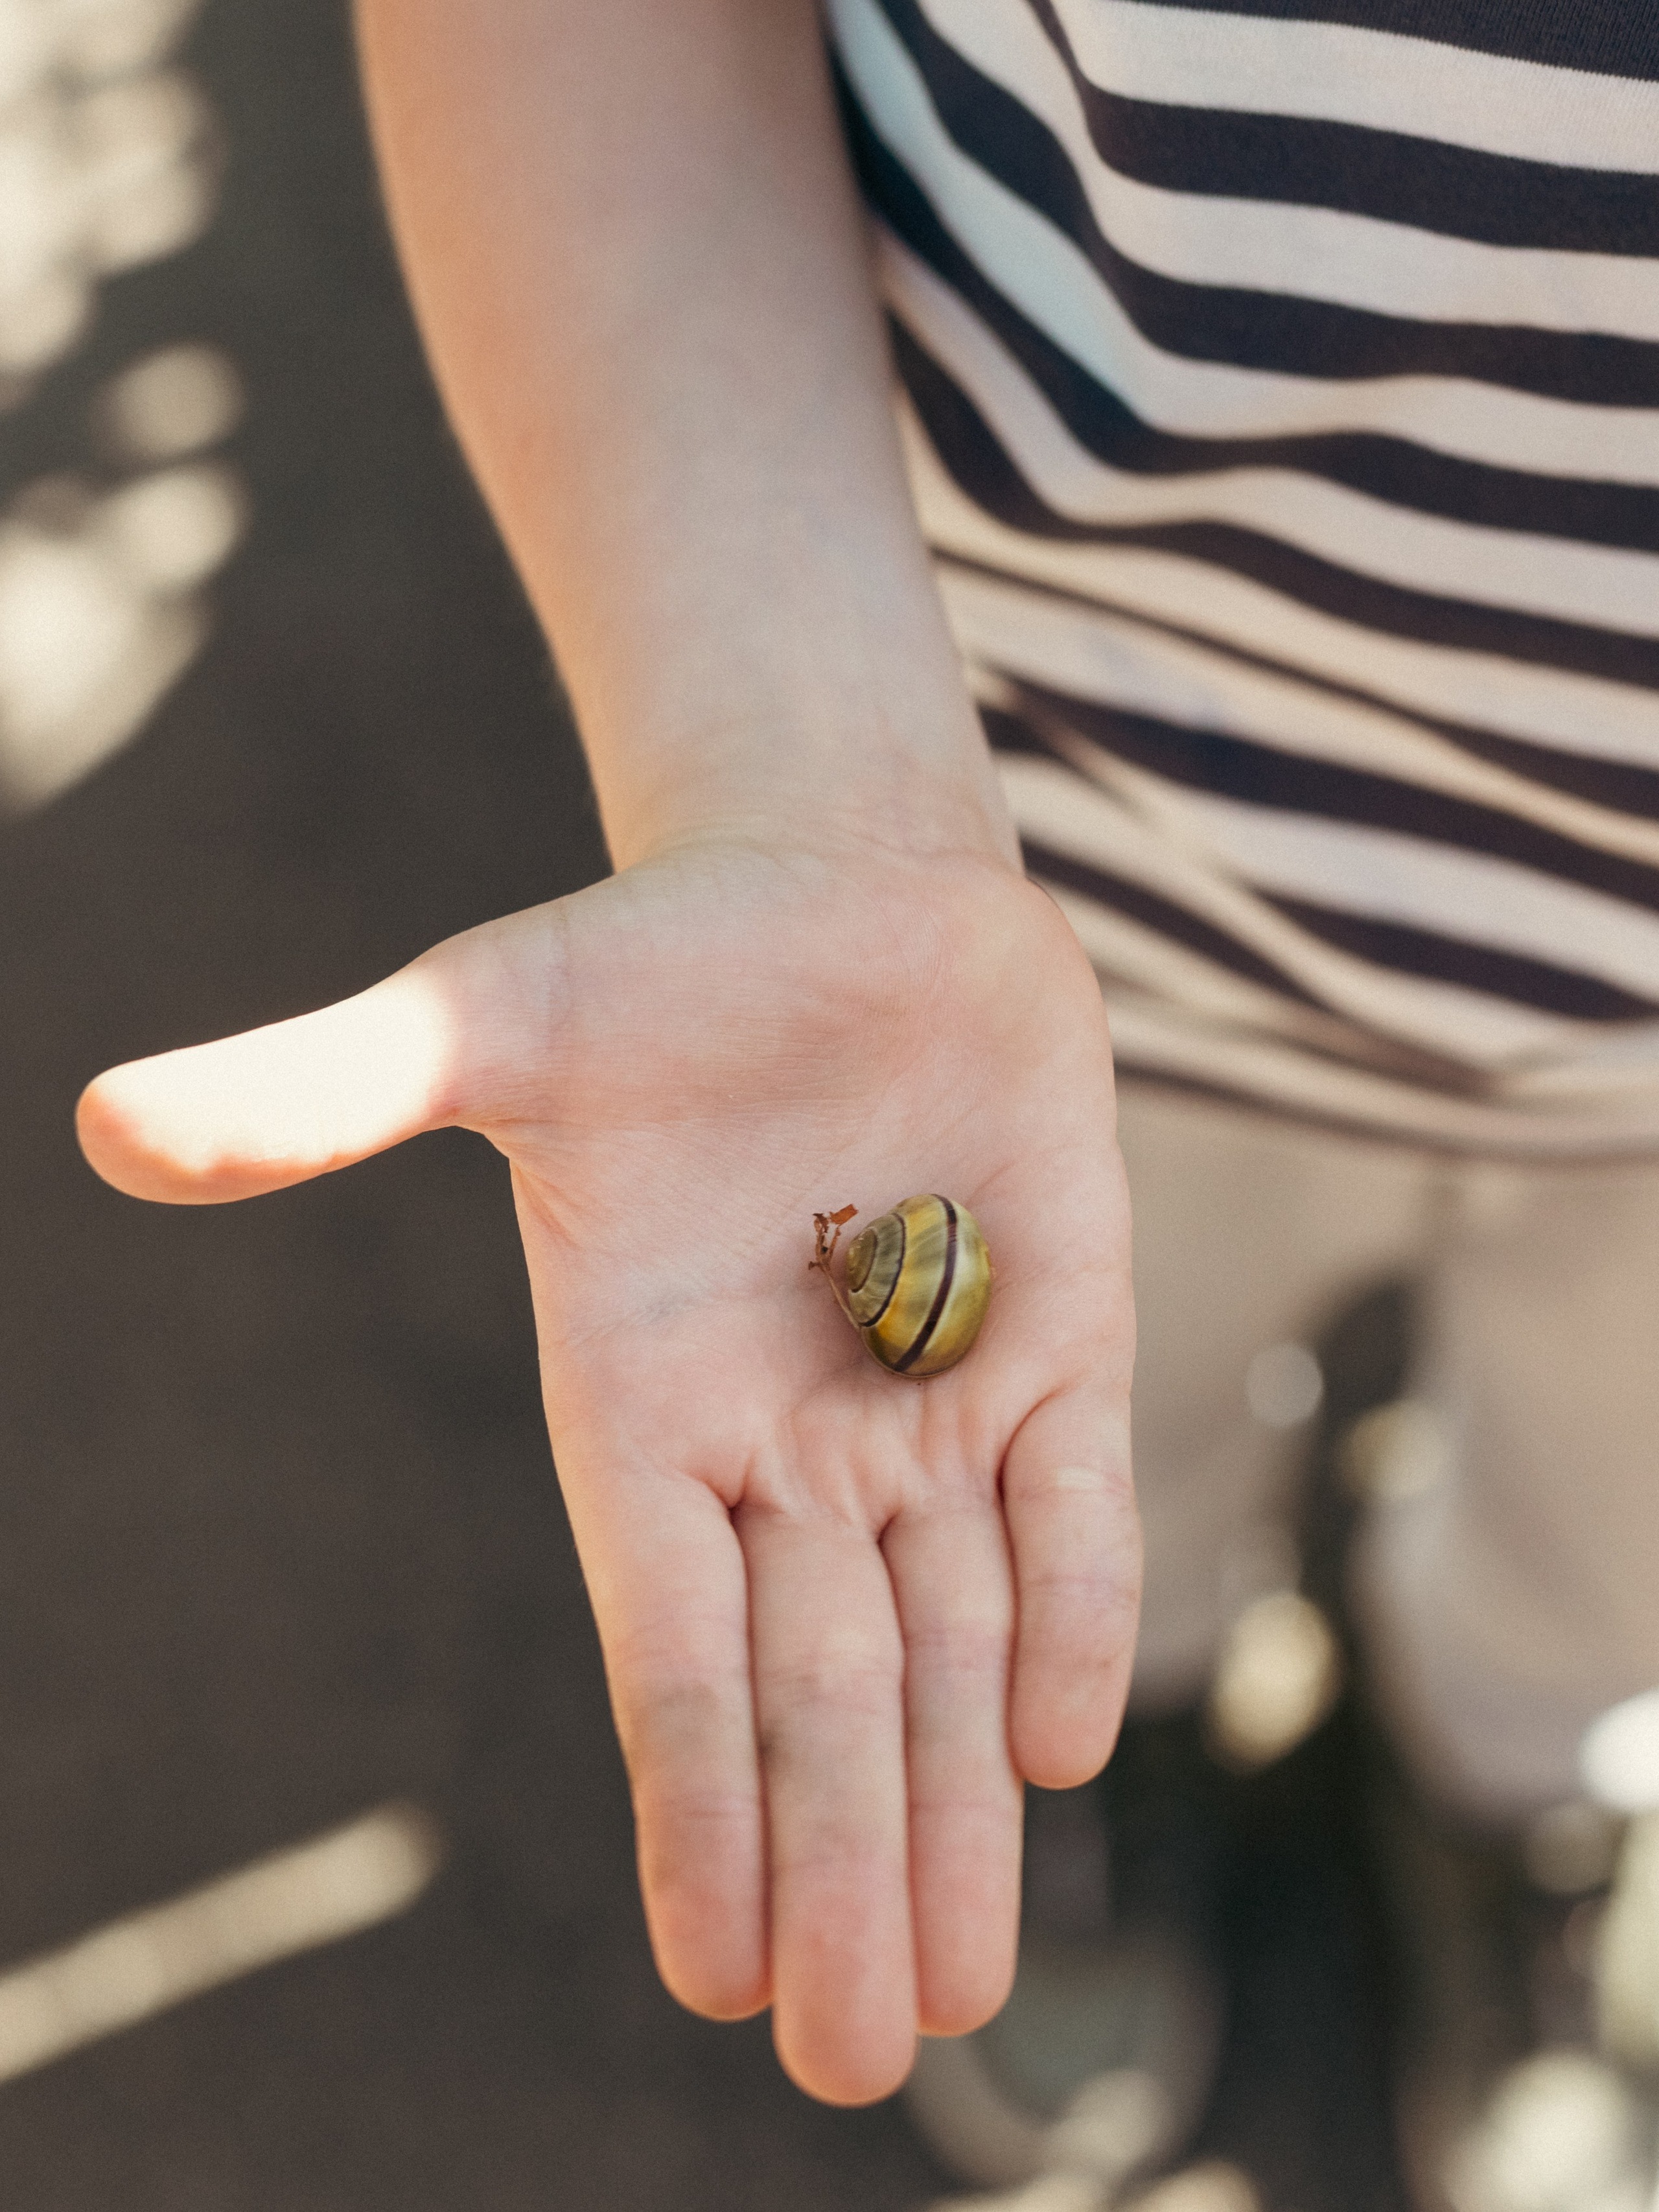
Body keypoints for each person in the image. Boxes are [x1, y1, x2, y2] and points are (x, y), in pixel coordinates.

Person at [74, 4, 1659, 2205]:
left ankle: (1527, 1771)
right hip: (1062, 885)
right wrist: (791, 770)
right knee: (1103, 1449)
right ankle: (1118, 1718)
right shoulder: (934, 1153)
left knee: (1618, 1528)